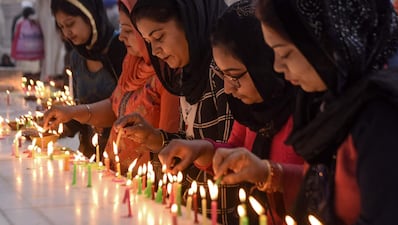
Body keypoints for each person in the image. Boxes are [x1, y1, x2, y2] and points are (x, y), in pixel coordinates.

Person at [241, 0, 398, 224]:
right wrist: (268, 173)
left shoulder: (383, 115)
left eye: (284, 53)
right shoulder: (332, 99)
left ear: (326, 42)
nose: (277, 67)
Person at [156, 1, 304, 224]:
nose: (227, 88)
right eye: (223, 75)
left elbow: (325, 186)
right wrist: (202, 150)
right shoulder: (250, 109)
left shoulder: (308, 111)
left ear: (265, 63)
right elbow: (237, 149)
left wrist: (268, 174)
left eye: (235, 76)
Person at [114, 0, 234, 223]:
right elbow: (192, 143)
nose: (156, 51)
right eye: (149, 42)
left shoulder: (225, 74)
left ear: (190, 21)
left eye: (159, 37)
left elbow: (228, 164)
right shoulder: (184, 75)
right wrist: (157, 139)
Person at [44, 0, 180, 175]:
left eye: (129, 30)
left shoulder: (166, 74)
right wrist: (71, 113)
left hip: (143, 184)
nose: (121, 37)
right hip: (113, 173)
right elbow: (115, 107)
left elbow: (166, 140)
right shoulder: (132, 63)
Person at [50, 0, 126, 158]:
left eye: (70, 24)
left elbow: (127, 107)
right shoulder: (76, 57)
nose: (66, 33)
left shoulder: (121, 49)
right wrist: (58, 124)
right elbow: (79, 109)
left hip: (119, 155)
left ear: (90, 15)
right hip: (89, 155)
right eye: (62, 27)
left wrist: (73, 113)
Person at [11, 4, 44, 81]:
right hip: (35, 58)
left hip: (22, 56)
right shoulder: (36, 21)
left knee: (24, 75)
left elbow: (15, 37)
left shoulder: (19, 22)